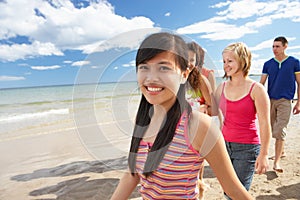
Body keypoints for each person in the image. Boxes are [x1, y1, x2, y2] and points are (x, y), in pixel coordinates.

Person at [111, 32, 253, 200]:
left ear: (184, 74)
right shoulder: (142, 119)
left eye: (164, 67)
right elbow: (132, 173)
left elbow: (234, 190)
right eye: (144, 67)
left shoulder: (199, 126)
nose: (151, 78)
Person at [214, 42, 271, 199]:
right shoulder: (221, 87)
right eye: (224, 61)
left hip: (247, 148)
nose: (226, 65)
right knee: (227, 191)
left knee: (236, 194)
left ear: (243, 60)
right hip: (223, 146)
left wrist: (264, 154)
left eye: (230, 61)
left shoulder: (257, 89)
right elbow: (210, 111)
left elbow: (265, 124)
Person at [260, 36, 300, 173]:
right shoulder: (268, 64)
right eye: (273, 46)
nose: (274, 49)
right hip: (270, 100)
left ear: (285, 46)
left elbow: (299, 83)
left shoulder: (294, 62)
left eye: (277, 46)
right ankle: (281, 151)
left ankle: (277, 162)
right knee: (272, 129)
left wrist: (299, 103)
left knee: (279, 130)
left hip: (286, 101)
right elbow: (261, 84)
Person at [186, 41, 217, 199]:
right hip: (178, 128)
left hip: (198, 126)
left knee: (198, 158)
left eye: (192, 59)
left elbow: (213, 107)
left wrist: (204, 110)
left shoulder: (201, 80)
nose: (188, 62)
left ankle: (200, 184)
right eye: (185, 58)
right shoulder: (173, 80)